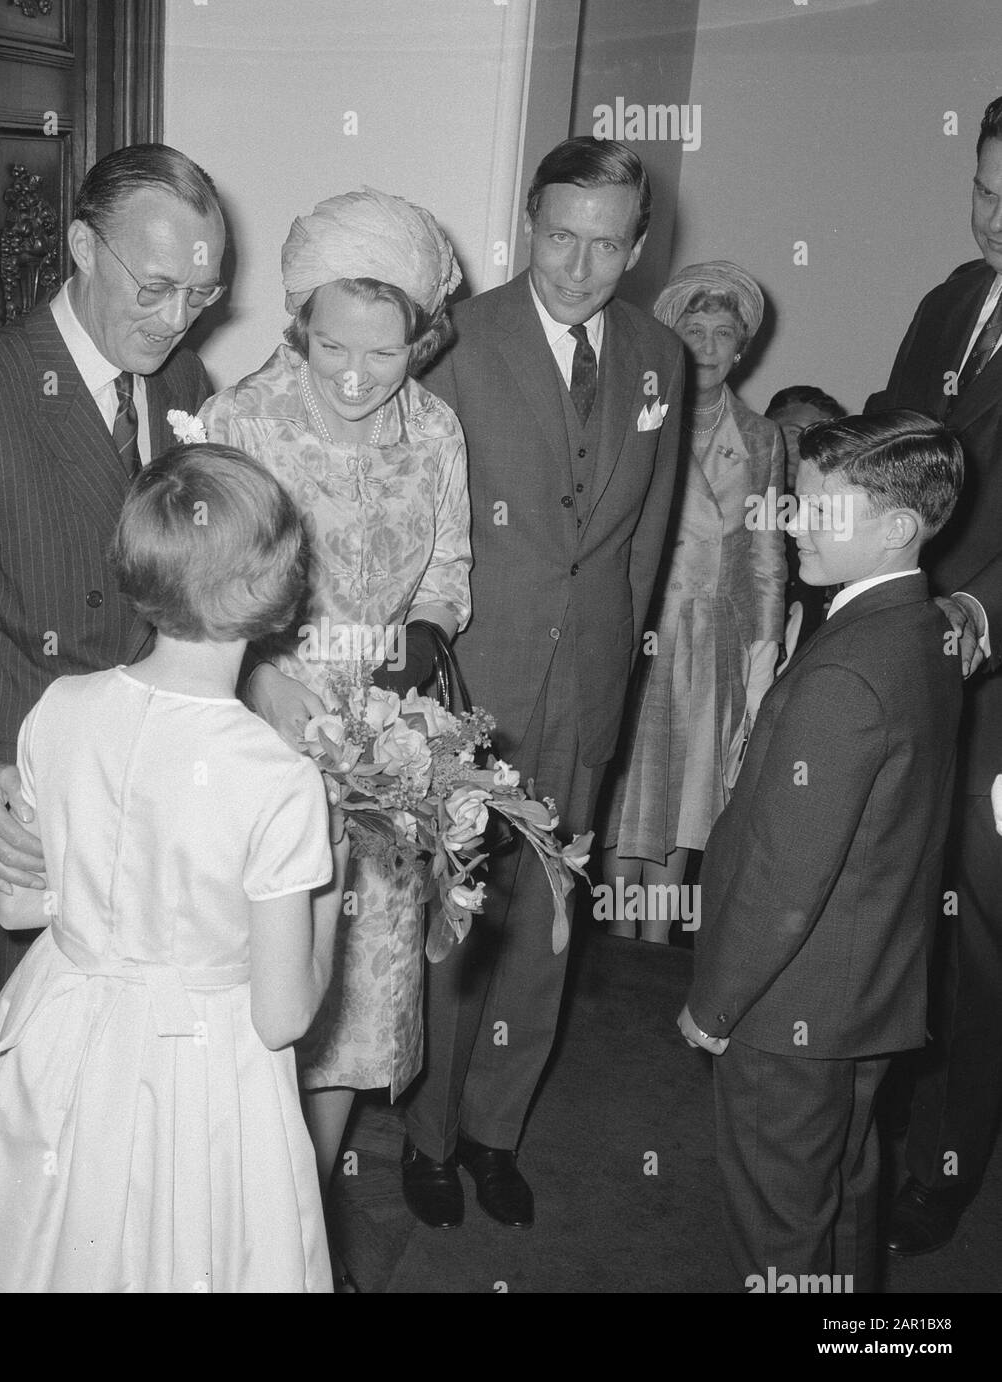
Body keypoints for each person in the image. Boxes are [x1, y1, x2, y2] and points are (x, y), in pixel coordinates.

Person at [0, 444, 342, 1292]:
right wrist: (333, 882)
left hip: (58, 1027)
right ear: (270, 587)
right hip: (202, 1069)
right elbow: (283, 1015)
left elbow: (22, 909)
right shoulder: (278, 776)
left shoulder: (61, 706)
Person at [0, 145, 226, 1028]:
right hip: (33, 823)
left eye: (200, 293)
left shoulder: (184, 381)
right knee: (33, 1113)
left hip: (158, 812)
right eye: (153, 287)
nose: (176, 318)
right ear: (79, 245)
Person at [400, 137, 684, 1229]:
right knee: (459, 924)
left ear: (639, 246)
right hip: (472, 680)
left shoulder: (662, 356)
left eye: (606, 244)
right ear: (527, 224)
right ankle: (425, 1134)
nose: (578, 265)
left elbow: (643, 540)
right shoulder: (457, 338)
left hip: (588, 684)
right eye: (559, 236)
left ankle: (493, 1131)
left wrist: (620, 667)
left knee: (551, 926)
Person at [198, 189, 470, 1275]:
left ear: (424, 336)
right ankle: (233, 1243)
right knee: (259, 1009)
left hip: (384, 761)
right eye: (330, 343)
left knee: (347, 1026)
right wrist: (260, 667)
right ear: (298, 322)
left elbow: (450, 570)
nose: (356, 374)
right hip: (258, 742)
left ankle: (299, 1243)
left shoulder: (437, 428)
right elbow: (195, 593)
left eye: (386, 348)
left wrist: (421, 631)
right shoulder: (239, 422)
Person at [679, 411, 964, 1293]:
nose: (793, 522)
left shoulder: (846, 672)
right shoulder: (930, 632)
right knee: (839, 1198)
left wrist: (715, 1006)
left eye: (818, 509)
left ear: (894, 529)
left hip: (789, 1007)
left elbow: (785, 881)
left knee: (778, 1231)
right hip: (868, 993)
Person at [866, 95, 1002, 1257]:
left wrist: (976, 604)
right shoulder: (951, 300)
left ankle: (947, 1160)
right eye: (985, 190)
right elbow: (892, 436)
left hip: (994, 673)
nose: (995, 222)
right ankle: (881, 1119)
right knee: (899, 902)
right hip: (909, 645)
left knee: (977, 932)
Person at [602, 262, 785, 944]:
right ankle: (615, 941)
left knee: (690, 789)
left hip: (714, 637)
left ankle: (655, 947)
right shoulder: (640, 416)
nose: (707, 346)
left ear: (743, 347)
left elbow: (765, 554)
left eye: (723, 333)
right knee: (630, 787)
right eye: (693, 329)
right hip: (639, 629)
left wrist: (762, 659)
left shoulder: (763, 438)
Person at [765, 386, 846, 660]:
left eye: (815, 440)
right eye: (792, 432)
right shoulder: (729, 497)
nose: (801, 449)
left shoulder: (833, 518)